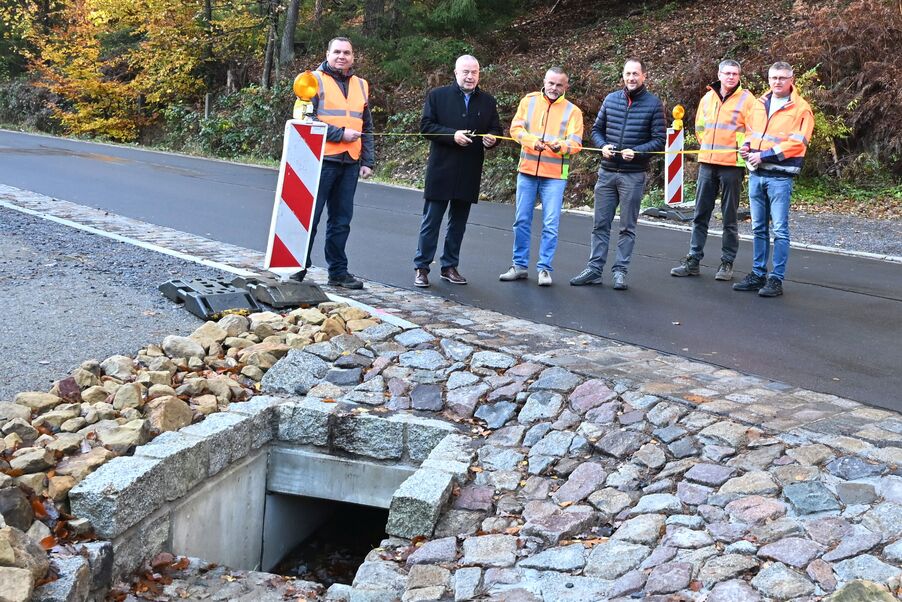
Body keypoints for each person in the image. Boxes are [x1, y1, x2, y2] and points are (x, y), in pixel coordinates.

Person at [570, 59, 665, 290]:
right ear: (622, 76)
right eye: (627, 74)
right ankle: (594, 269)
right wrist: (602, 146)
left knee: (627, 226)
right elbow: (596, 130)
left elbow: (660, 140)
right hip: (607, 171)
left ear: (644, 76)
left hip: (633, 175)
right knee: (600, 223)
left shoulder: (653, 104)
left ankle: (620, 271)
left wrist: (639, 151)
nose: (631, 78)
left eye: (635, 74)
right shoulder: (611, 99)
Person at [413, 55, 502, 288]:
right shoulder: (437, 96)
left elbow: (496, 129)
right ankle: (422, 267)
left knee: (458, 223)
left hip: (470, 169)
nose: (470, 76)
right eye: (465, 72)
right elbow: (426, 127)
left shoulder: (487, 101)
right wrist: (452, 135)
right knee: (431, 221)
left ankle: (449, 266)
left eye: (474, 72)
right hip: (441, 168)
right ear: (455, 73)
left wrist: (492, 140)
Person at [296, 37, 374, 289]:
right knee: (311, 219)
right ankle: (298, 268)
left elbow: (367, 126)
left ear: (353, 57)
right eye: (337, 52)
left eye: (347, 52)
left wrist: (367, 161)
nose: (342, 56)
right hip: (321, 160)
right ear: (327, 53)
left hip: (350, 163)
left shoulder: (361, 85)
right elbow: (306, 120)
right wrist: (339, 134)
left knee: (341, 221)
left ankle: (338, 272)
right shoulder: (312, 81)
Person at [733, 61, 813, 297]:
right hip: (757, 174)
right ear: (768, 79)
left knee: (779, 229)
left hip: (780, 178)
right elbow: (750, 131)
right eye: (773, 77)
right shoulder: (759, 104)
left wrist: (763, 155)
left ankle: (776, 279)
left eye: (782, 77)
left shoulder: (801, 109)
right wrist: (747, 147)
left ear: (792, 79)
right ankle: (758, 274)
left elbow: (797, 143)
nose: (777, 82)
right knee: (758, 227)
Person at [499, 67, 584, 287]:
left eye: (559, 85)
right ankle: (519, 266)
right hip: (527, 171)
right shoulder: (529, 101)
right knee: (522, 220)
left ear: (566, 87)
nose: (554, 88)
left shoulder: (573, 111)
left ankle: (544, 269)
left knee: (550, 224)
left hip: (555, 175)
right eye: (551, 83)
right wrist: (530, 141)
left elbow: (576, 143)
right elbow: (515, 129)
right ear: (544, 82)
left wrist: (562, 146)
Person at [670, 59, 753, 281]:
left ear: (739, 76)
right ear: (719, 74)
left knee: (729, 217)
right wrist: (708, 146)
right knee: (700, 214)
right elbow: (699, 128)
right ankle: (693, 260)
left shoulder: (748, 100)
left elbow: (753, 131)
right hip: (707, 162)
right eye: (727, 73)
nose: (731, 77)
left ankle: (727, 263)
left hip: (732, 166)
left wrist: (739, 149)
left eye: (735, 74)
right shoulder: (707, 98)